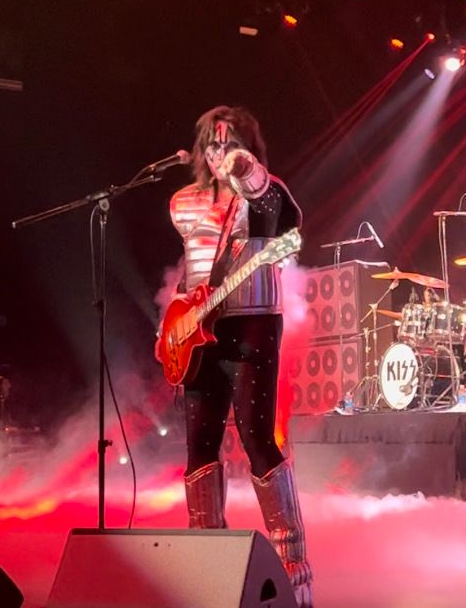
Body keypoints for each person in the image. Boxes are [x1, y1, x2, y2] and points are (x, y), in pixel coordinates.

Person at [166, 105, 311, 607]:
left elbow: (278, 214)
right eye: (213, 144)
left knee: (257, 439)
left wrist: (245, 170)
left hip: (253, 321)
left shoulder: (263, 192)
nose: (219, 152)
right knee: (199, 448)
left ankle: (294, 570)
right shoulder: (183, 202)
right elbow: (192, 270)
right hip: (198, 332)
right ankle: (208, 568)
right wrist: (174, 326)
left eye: (230, 143)